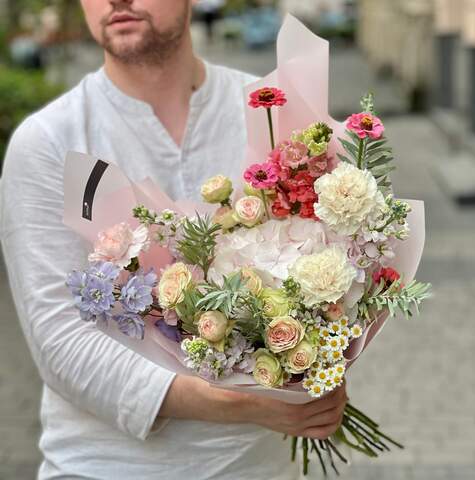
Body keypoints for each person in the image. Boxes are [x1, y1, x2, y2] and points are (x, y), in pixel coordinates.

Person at [0, 1, 348, 479]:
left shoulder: (268, 110)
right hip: (104, 467)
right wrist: (247, 405)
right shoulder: (48, 141)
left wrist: (319, 364)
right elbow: (60, 343)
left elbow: (336, 266)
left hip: (256, 468)